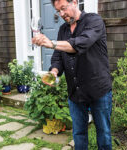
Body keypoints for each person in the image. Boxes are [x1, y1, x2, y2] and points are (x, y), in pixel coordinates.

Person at [32, 0, 112, 149]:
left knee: (104, 133)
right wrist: (54, 72)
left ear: (74, 2)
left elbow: (81, 43)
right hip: (75, 92)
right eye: (58, 11)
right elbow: (57, 57)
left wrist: (52, 43)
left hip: (98, 89)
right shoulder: (63, 30)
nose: (62, 14)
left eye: (63, 8)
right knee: (79, 133)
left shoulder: (94, 21)